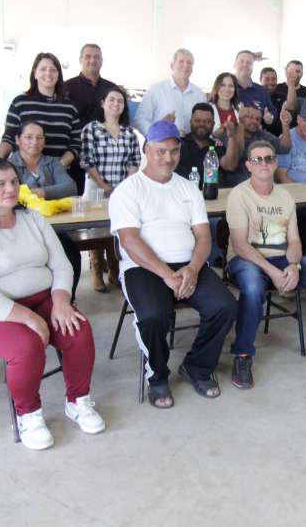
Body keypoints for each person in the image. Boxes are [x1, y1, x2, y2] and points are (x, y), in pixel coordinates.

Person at [0, 158, 103, 450]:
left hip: (41, 297)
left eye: (14, 182)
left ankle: (77, 400)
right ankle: (27, 413)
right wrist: (31, 319)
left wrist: (61, 301)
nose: (10, 189)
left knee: (77, 331)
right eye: (0, 184)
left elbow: (62, 264)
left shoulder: (32, 218)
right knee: (26, 346)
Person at [111, 121, 237, 408]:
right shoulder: (128, 190)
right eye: (161, 151)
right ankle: (157, 376)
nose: (168, 158)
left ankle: (197, 366)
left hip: (188, 263)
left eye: (174, 151)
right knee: (155, 316)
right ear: (146, 150)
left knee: (225, 306)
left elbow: (204, 236)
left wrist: (192, 269)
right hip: (143, 268)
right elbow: (129, 241)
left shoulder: (188, 188)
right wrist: (167, 275)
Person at [225, 140, 306, 388]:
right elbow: (240, 245)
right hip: (246, 259)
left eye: (269, 158)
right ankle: (242, 354)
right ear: (248, 165)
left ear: (275, 162)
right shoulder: (238, 194)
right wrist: (273, 272)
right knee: (252, 288)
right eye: (257, 159)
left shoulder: (285, 196)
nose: (264, 164)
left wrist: (294, 267)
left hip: (282, 257)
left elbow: (294, 241)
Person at [9, 119, 84, 297]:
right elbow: (14, 195)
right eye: (28, 137)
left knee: (71, 254)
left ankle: (67, 299)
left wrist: (39, 192)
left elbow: (70, 187)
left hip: (55, 227)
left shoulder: (52, 162)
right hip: (22, 229)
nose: (34, 142)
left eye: (39, 138)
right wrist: (52, 193)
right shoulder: (8, 165)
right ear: (18, 140)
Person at [80, 86, 140, 292]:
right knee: (96, 231)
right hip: (96, 188)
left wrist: (126, 188)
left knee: (118, 229)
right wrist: (104, 186)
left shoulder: (129, 133)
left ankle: (115, 270)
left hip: (122, 189)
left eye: (120, 101)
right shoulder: (91, 129)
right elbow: (87, 160)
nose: (116, 104)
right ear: (103, 103)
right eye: (112, 100)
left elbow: (134, 161)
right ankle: (97, 271)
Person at [0, 52, 81, 172]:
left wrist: (59, 166)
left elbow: (76, 143)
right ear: (35, 73)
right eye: (43, 69)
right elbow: (9, 136)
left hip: (59, 174)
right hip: (24, 173)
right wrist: (0, 163)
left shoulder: (70, 107)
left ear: (58, 75)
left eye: (53, 70)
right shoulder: (20, 103)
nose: (48, 73)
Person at [134, 48, 204, 136]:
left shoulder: (199, 95)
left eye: (189, 63)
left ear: (192, 68)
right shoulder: (156, 90)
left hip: (191, 145)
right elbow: (140, 120)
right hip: (162, 144)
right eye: (181, 61)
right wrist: (157, 133)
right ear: (172, 66)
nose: (185, 65)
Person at [63, 43, 119, 125]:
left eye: (96, 57)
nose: (92, 61)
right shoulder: (66, 87)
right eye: (88, 56)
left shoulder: (112, 89)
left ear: (101, 61)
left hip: (105, 137)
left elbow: (120, 118)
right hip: (76, 137)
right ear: (80, 60)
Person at [221, 103, 275, 187]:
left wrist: (285, 124)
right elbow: (230, 166)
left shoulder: (261, 135)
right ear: (241, 119)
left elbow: (285, 148)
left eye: (257, 119)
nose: (254, 121)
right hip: (237, 186)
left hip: (260, 183)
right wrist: (232, 137)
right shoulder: (229, 133)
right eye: (250, 117)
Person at [174, 103, 226, 181]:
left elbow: (229, 166)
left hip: (210, 192)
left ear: (213, 124)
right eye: (197, 120)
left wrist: (232, 137)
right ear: (191, 121)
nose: (202, 124)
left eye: (207, 121)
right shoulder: (178, 144)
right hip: (181, 192)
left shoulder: (218, 147)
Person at [270, 60, 306, 135]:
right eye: (291, 71)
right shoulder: (276, 88)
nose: (294, 75)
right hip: (275, 132)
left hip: (299, 135)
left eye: (297, 71)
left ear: (302, 73)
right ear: (285, 71)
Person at [232, 50, 273, 119]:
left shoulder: (262, 91)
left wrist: (270, 117)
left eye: (249, 62)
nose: (245, 64)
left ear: (253, 67)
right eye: (241, 61)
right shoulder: (225, 88)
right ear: (234, 65)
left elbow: (272, 111)